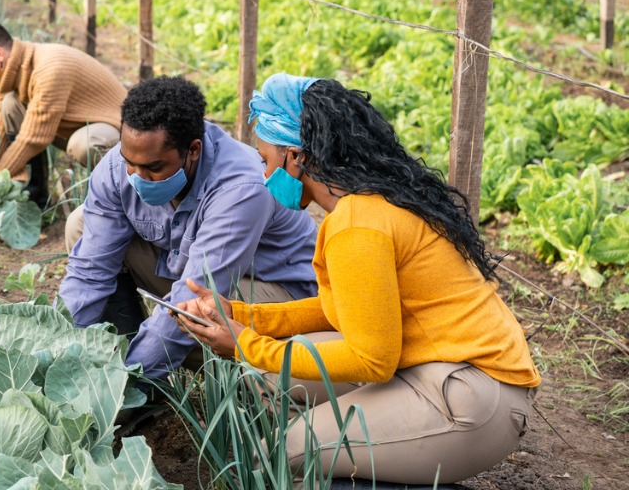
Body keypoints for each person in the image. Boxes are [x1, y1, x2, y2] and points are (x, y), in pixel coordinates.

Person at [175, 74, 541, 485]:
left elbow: (372, 359)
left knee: (291, 450)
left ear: (296, 157)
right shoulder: (369, 201)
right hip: (432, 366)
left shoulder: (358, 224)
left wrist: (246, 344)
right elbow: (347, 308)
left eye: (266, 160)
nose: (263, 175)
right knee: (269, 375)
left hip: (472, 396)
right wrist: (244, 316)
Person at [59, 75, 319, 380]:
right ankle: (119, 360)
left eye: (154, 168)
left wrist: (125, 388)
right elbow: (89, 273)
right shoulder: (120, 166)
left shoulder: (241, 188)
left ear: (193, 150)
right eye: (130, 161)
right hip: (198, 274)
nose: (136, 176)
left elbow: (191, 301)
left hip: (274, 293)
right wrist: (58, 352)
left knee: (196, 309)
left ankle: (147, 379)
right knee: (81, 224)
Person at [0, 17, 128, 209]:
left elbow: (32, 139)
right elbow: (1, 135)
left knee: (84, 144)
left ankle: (128, 195)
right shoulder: (8, 79)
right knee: (12, 104)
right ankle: (36, 198)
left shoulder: (49, 68)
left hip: (119, 131)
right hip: (79, 124)